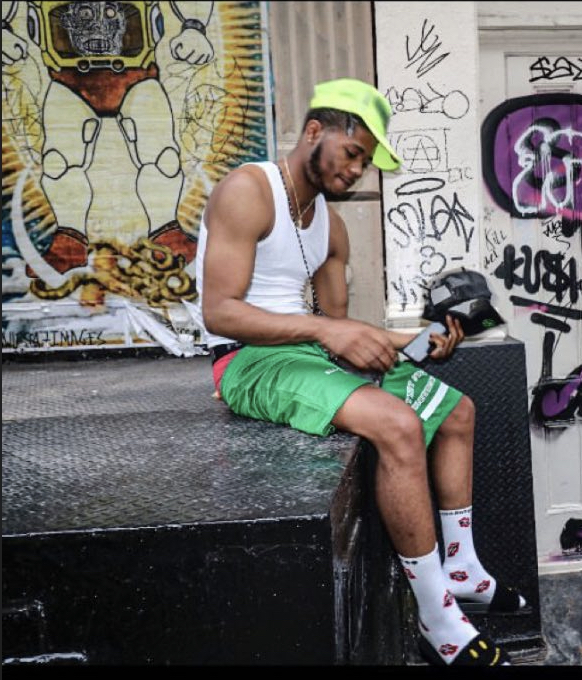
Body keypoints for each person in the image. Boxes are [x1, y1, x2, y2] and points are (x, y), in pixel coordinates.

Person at [195, 77, 524, 666]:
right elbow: (220, 311)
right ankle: (436, 617)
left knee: (455, 412)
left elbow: (344, 335)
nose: (357, 171)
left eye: (367, 162)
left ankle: (464, 569)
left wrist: (413, 341)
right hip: (244, 360)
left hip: (307, 351)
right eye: (353, 154)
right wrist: (328, 331)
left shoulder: (331, 226)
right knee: (397, 425)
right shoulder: (248, 190)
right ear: (315, 132)